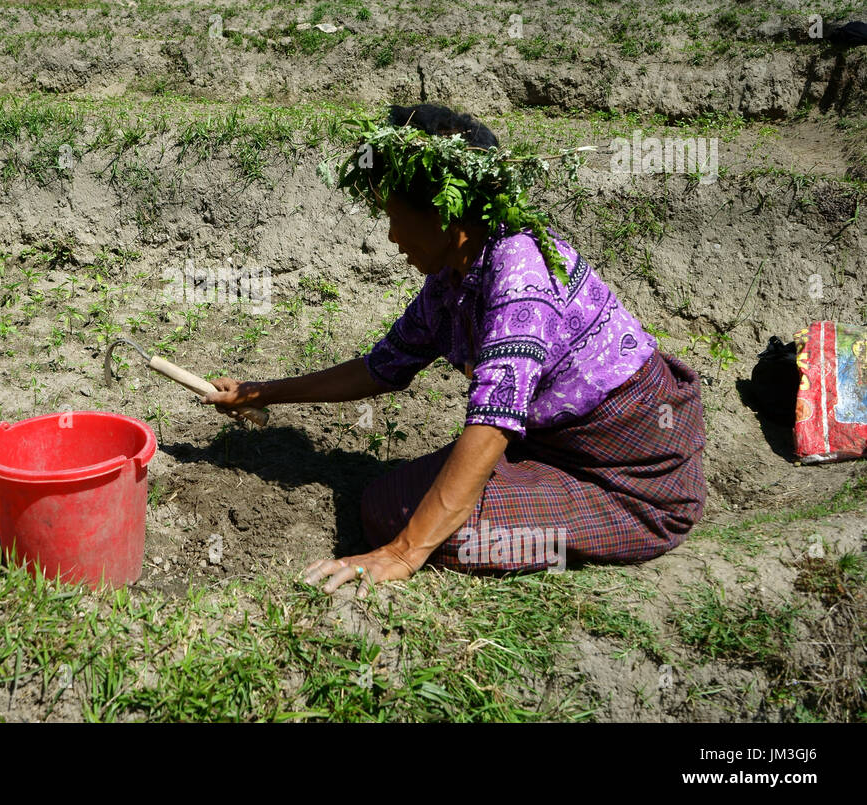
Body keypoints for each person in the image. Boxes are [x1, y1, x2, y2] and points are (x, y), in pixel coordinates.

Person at [203, 103, 708, 598]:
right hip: (550, 447)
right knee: (386, 502)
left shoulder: (521, 278)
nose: (392, 236)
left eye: (396, 218)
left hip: (632, 482)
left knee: (430, 532)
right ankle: (530, 492)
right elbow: (382, 367)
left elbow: (490, 425)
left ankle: (609, 527)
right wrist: (261, 393)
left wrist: (403, 553)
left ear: (447, 215)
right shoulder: (455, 276)